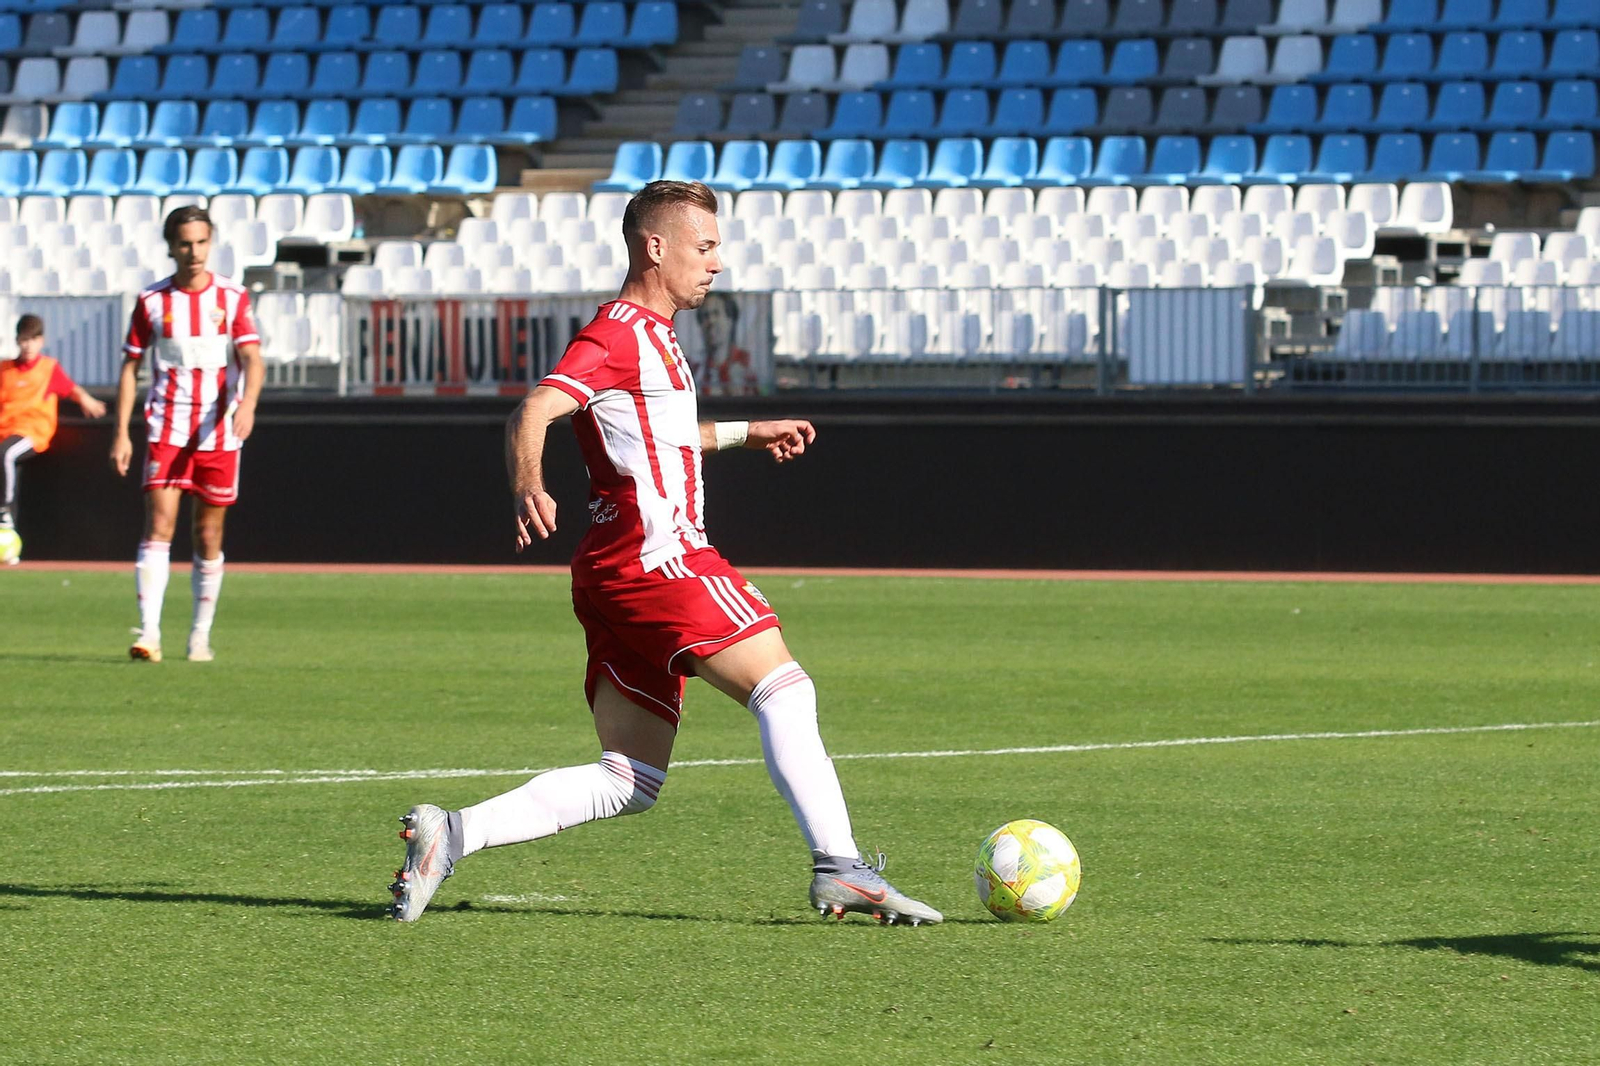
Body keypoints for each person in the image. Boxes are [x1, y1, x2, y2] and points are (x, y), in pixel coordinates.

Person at [389, 181, 941, 926]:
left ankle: (449, 835)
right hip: (662, 556)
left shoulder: (654, 336)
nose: (717, 263)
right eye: (705, 247)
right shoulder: (619, 333)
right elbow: (535, 409)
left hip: (613, 570)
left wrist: (751, 431)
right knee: (786, 690)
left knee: (631, 777)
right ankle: (840, 866)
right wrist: (528, 484)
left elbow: (663, 437)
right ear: (656, 247)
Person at [110, 206, 263, 663]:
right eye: (184, 243)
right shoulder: (152, 301)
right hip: (167, 427)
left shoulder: (232, 298)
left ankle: (199, 635)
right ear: (171, 246)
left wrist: (249, 404)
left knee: (207, 533)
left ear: (210, 242)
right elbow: (131, 366)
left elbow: (252, 359)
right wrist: (121, 431)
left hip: (217, 431)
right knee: (158, 525)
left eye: (200, 242)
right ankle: (149, 634)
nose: (193, 252)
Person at [1, 314, 108, 560]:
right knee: (7, 468)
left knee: (5, 455)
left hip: (32, 432)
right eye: (24, 339)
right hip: (5, 432)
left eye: (33, 339)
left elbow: (71, 389)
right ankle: (9, 546)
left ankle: (3, 509)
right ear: (17, 340)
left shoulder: (47, 368)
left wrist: (87, 400)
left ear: (41, 341)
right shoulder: (5, 369)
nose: (28, 345)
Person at [693, 290, 755, 396]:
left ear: (730, 320)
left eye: (716, 313)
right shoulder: (695, 369)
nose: (711, 321)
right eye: (705, 316)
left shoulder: (746, 365)